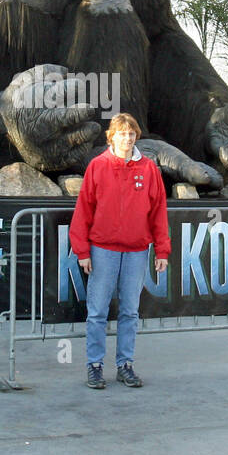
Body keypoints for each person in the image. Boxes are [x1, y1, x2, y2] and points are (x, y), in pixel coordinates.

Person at [68, 112, 170, 390]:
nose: (128, 138)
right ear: (112, 136)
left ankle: (125, 365)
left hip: (137, 251)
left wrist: (162, 250)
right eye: (122, 133)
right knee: (98, 311)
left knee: (129, 311)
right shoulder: (97, 167)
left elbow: (158, 212)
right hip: (102, 249)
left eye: (132, 133)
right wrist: (82, 251)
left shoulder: (149, 169)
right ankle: (95, 366)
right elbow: (84, 210)